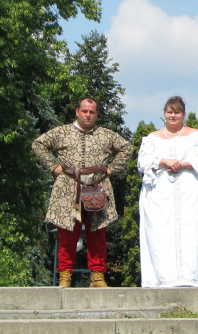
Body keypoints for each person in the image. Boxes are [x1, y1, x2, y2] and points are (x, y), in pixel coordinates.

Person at [32, 97, 133, 288]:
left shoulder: (105, 135)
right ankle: (64, 277)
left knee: (98, 234)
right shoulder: (61, 132)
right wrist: (54, 167)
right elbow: (38, 144)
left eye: (92, 112)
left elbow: (126, 148)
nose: (88, 115)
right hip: (68, 187)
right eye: (84, 111)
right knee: (67, 234)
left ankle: (97, 277)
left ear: (97, 114)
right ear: (77, 112)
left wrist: (111, 169)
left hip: (97, 187)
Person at [138, 96, 198, 288]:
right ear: (164, 114)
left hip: (192, 195)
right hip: (161, 196)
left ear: (183, 114)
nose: (173, 116)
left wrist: (182, 164)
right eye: (169, 112)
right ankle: (164, 277)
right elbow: (143, 162)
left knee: (193, 233)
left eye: (177, 112)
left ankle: (197, 276)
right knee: (162, 235)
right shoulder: (151, 139)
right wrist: (164, 161)